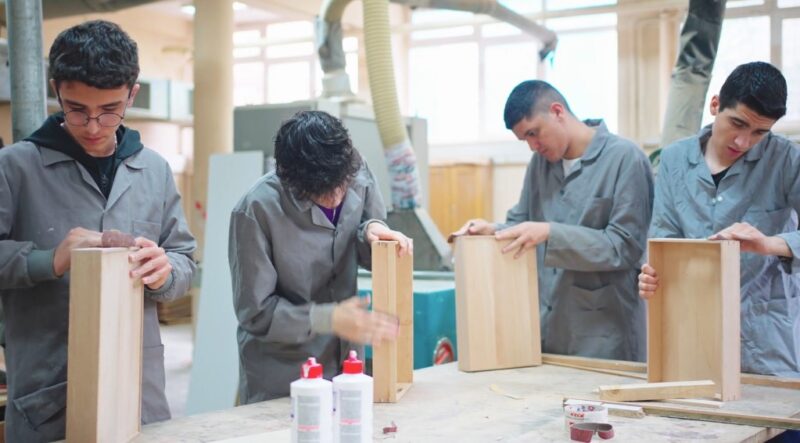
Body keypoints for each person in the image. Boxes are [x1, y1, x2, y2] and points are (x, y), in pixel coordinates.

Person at [0, 20, 196, 440]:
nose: (92, 126)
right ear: (57, 91)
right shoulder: (15, 168)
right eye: (76, 109)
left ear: (132, 94)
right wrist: (47, 260)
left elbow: (185, 259)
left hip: (138, 386)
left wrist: (166, 272)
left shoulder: (154, 171)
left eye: (109, 110)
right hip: (50, 388)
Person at [451, 80, 653, 361]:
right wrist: (493, 229)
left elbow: (623, 247)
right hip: (550, 330)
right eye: (525, 140)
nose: (533, 146)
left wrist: (549, 232)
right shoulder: (540, 165)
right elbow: (522, 221)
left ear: (558, 112)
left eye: (535, 133)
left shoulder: (625, 159)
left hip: (605, 337)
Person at [229, 110, 412, 403]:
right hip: (284, 373)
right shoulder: (255, 211)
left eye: (342, 186)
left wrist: (373, 230)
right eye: (322, 193)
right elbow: (256, 314)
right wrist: (330, 318)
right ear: (289, 179)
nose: (337, 198)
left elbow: (364, 245)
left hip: (348, 363)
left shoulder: (357, 170)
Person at [639, 61, 800, 377]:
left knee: (779, 421)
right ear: (715, 105)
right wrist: (652, 278)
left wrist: (769, 244)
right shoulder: (673, 160)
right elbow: (664, 244)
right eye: (737, 123)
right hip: (691, 328)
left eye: (759, 133)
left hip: (767, 339)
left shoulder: (786, 160)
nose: (743, 142)